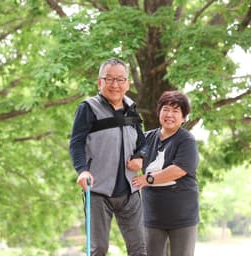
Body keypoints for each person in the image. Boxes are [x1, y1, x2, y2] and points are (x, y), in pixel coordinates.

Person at [69, 58, 147, 256]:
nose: (115, 85)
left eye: (120, 79)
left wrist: (140, 157)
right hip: (98, 191)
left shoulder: (131, 109)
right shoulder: (88, 108)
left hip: (130, 191)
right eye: (109, 79)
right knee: (99, 249)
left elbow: (142, 142)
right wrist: (82, 170)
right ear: (99, 82)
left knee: (139, 248)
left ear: (127, 83)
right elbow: (76, 143)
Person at [132, 91, 200, 256]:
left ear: (183, 117)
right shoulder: (146, 138)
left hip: (182, 217)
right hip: (152, 216)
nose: (169, 114)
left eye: (176, 111)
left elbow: (178, 170)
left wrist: (147, 179)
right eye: (166, 109)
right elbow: (129, 159)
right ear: (159, 112)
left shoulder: (186, 140)